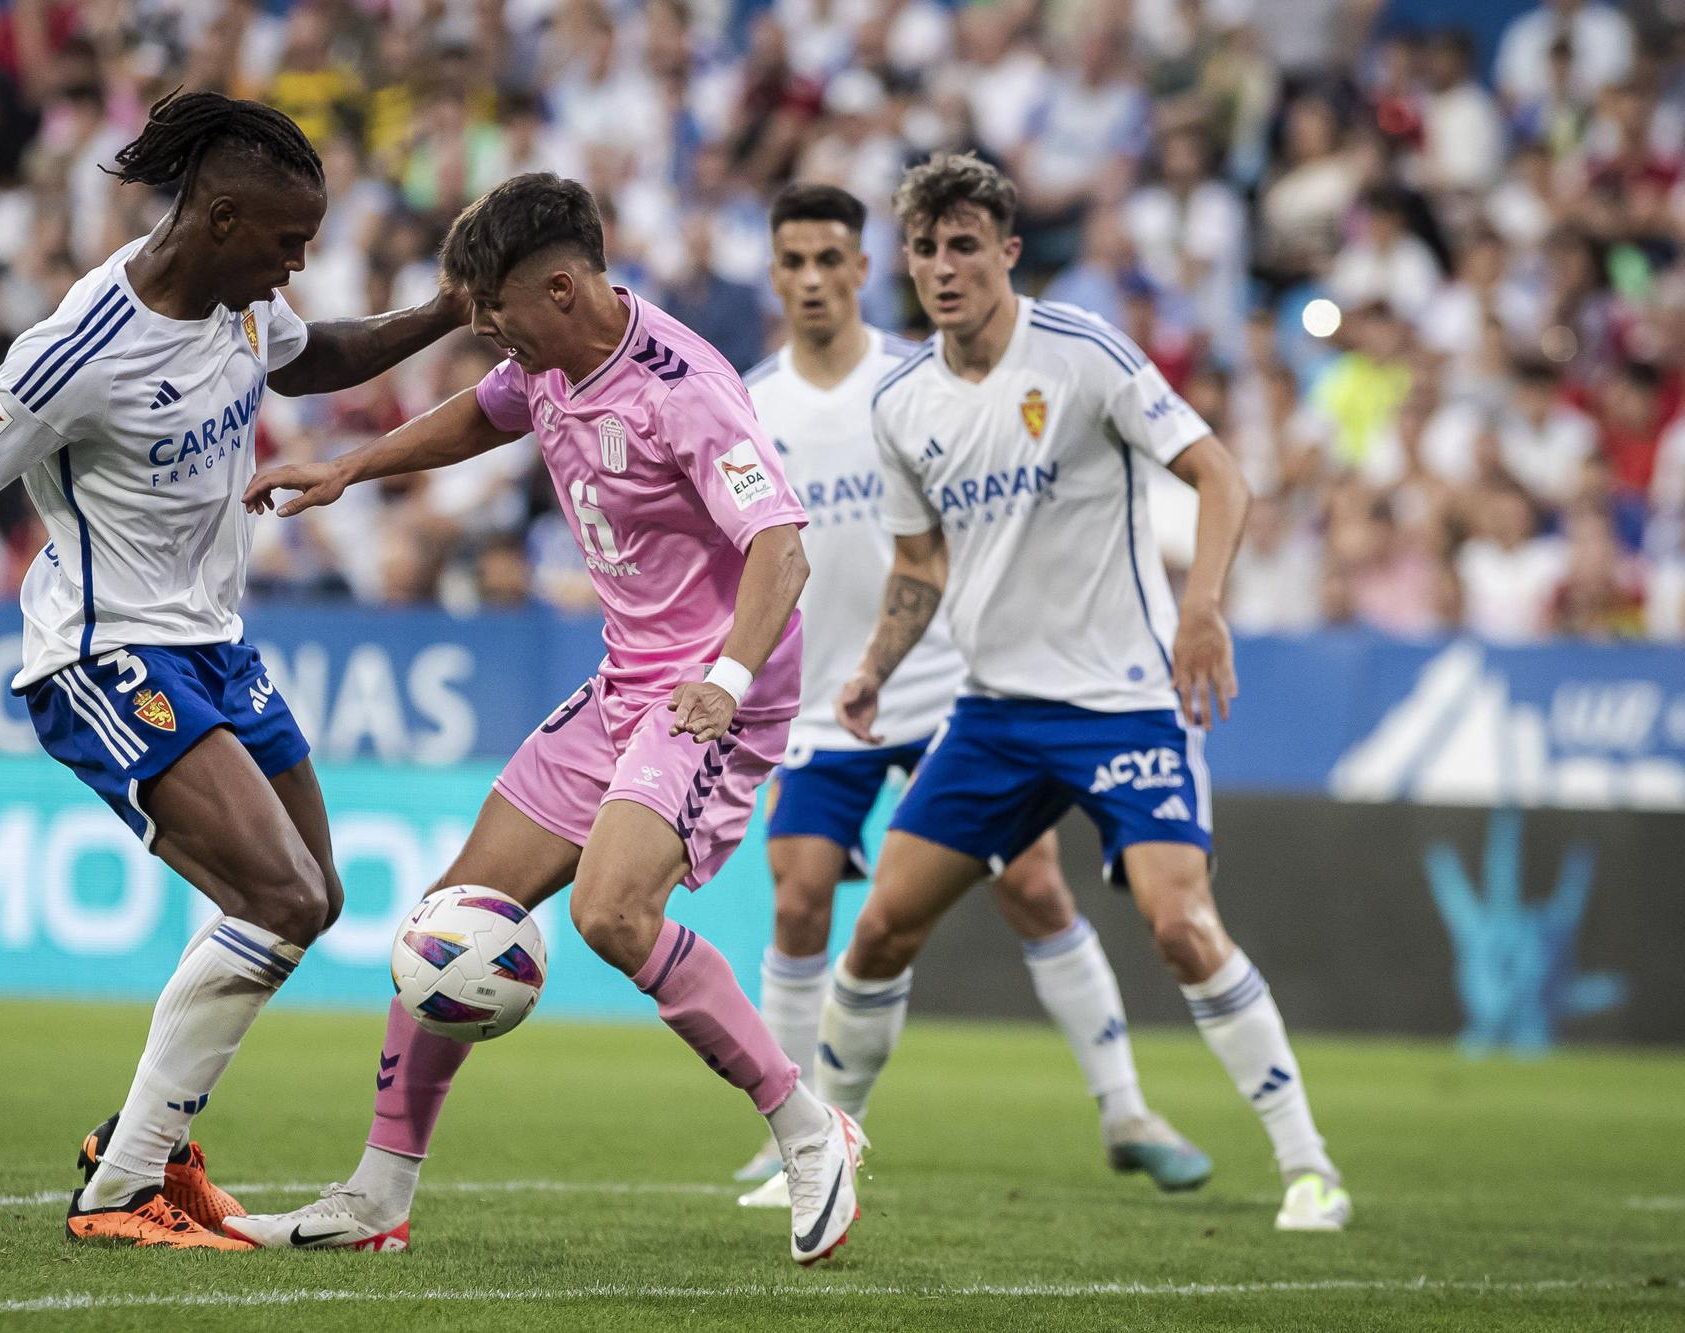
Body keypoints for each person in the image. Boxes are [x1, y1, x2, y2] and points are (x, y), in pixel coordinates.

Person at [0, 91, 469, 1250]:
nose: (300, 265)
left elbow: (319, 357)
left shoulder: (242, 308)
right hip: (102, 651)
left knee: (312, 898)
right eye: (288, 242)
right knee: (279, 898)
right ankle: (118, 1191)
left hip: (212, 642)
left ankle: (149, 1148)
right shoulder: (78, 348)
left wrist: (444, 307)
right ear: (222, 217)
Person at [235, 173, 865, 1264]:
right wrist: (351, 468)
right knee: (447, 916)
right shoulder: (546, 363)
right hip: (629, 681)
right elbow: (479, 416)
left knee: (612, 915)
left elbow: (781, 547)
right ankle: (379, 1195)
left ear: (564, 288)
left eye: (498, 317)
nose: (489, 338)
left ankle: (811, 1132)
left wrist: (723, 676)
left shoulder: (683, 389)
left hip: (715, 693)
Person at [823, 152, 1351, 1232]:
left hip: (1121, 700)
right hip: (993, 713)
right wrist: (874, 665)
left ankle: (1309, 1166)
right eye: (923, 248)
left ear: (1007, 251)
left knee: (1177, 924)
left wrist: (1200, 605)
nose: (941, 266)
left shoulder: (1079, 352)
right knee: (877, 932)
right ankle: (815, 1152)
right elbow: (918, 563)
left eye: (963, 244)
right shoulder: (898, 403)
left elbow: (1220, 474)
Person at [732, 183, 1210, 1206]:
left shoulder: (924, 379)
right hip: (823, 700)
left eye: (830, 259)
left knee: (1033, 885)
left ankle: (1125, 1107)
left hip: (950, 681)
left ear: (866, 268)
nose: (812, 280)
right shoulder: (748, 405)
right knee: (799, 896)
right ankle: (796, 1132)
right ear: (771, 275)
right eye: (792, 263)